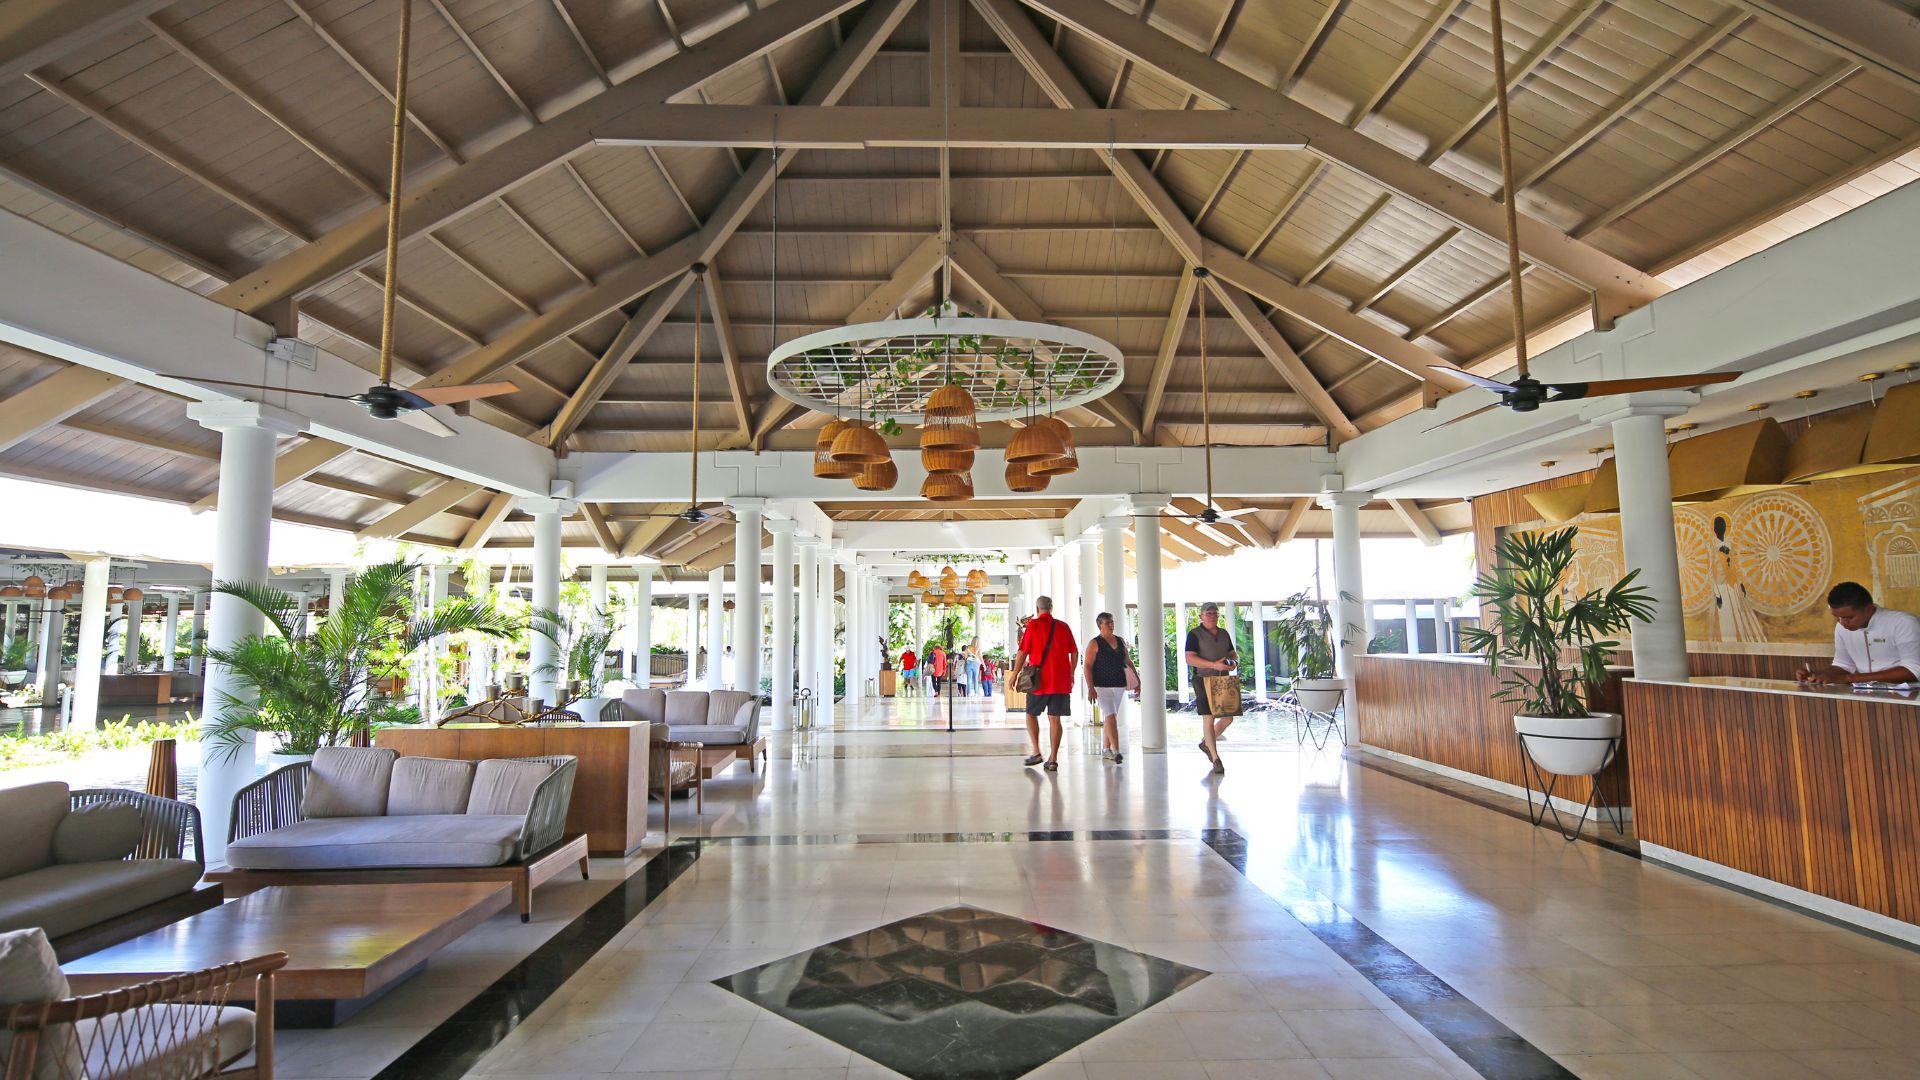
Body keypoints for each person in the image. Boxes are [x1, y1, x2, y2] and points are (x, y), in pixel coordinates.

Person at [1798, 582, 1920, 686]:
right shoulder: (1841, 627)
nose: (1842, 623)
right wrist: (1819, 675)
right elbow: (1843, 665)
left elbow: (1913, 671)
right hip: (1864, 696)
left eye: (1849, 618)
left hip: (1908, 697)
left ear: (1869, 609)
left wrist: (1849, 678)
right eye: (1837, 617)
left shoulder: (1903, 623)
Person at [1013, 595, 1078, 772]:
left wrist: (1015, 674)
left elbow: (1023, 652)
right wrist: (1071, 673)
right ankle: (1053, 759)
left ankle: (1036, 752)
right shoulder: (1063, 626)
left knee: (1030, 714)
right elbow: (1074, 652)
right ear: (1051, 608)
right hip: (1060, 681)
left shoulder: (1033, 625)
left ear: (1037, 609)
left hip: (1039, 681)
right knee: (1055, 719)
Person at [1185, 601, 1238, 774]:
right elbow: (1189, 658)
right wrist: (1213, 664)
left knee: (1228, 718)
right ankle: (1216, 759)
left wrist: (1233, 662)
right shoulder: (1194, 634)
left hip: (1223, 679)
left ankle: (1206, 743)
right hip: (1203, 679)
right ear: (1201, 616)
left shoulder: (1224, 634)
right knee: (1208, 717)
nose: (1212, 616)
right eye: (1209, 613)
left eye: (1215, 613)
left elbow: (1232, 653)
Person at [1083, 611, 1138, 764]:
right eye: (1107, 623)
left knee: (1110, 717)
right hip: (1101, 686)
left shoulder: (1120, 641)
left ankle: (1106, 749)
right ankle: (1116, 750)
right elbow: (1087, 666)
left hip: (1119, 684)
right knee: (1111, 716)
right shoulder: (1095, 643)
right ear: (1100, 625)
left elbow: (1128, 660)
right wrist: (1090, 687)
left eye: (1112, 622)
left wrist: (1137, 679)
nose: (1111, 625)